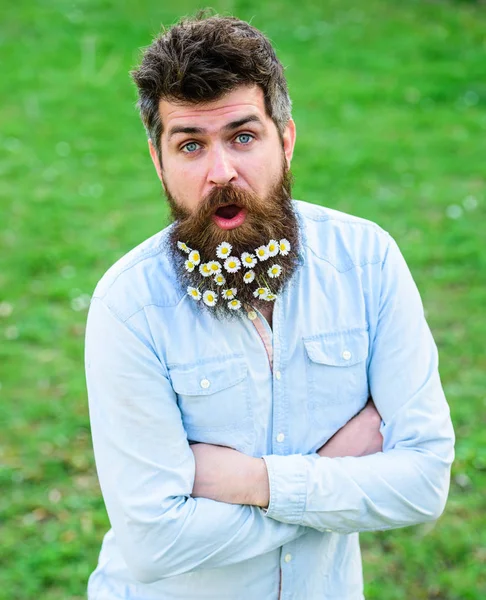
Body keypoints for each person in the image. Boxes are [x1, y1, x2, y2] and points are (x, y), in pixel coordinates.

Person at [85, 13, 455, 600]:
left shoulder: (367, 263)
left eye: (243, 137)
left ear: (285, 140)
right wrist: (333, 474)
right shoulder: (128, 307)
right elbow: (154, 542)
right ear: (159, 162)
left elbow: (424, 481)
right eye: (190, 145)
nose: (221, 172)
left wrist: (254, 481)